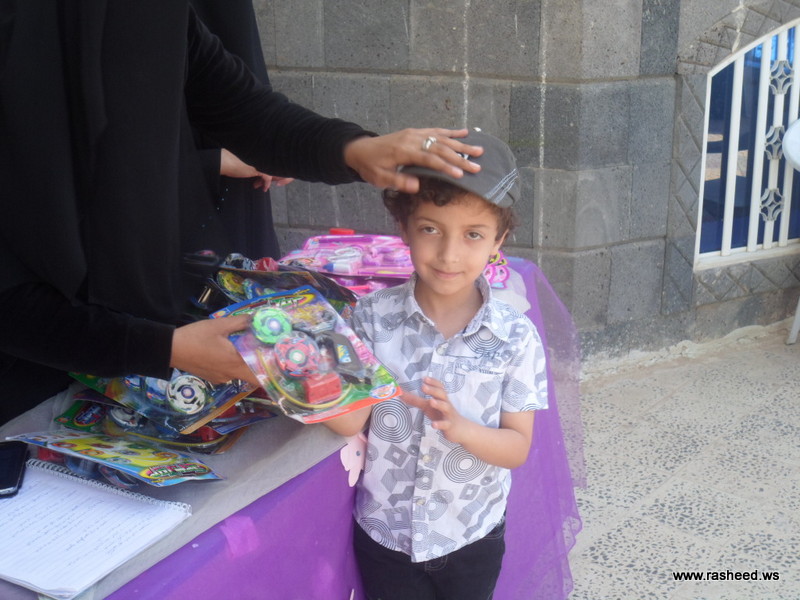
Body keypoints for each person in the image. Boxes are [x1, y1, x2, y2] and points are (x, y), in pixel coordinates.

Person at [0, 2, 482, 424]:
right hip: (25, 374)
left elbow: (241, 108)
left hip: (127, 356)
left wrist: (353, 150)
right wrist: (163, 348)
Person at [324, 129, 549, 600]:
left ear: (498, 239)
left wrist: (461, 428)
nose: (449, 254)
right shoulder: (370, 319)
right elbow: (349, 422)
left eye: (473, 235)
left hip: (471, 535)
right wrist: (306, 365)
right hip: (385, 535)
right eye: (430, 229)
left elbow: (517, 448)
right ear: (404, 227)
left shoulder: (516, 337)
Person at [190, 0, 290, 260]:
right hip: (171, 212)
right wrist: (212, 161)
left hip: (242, 182)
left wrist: (273, 139)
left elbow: (242, 74)